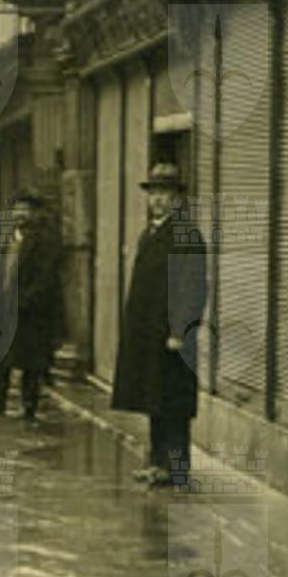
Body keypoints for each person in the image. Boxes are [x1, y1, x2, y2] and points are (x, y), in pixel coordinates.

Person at [111, 160, 207, 486]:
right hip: (149, 332)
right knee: (155, 400)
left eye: (165, 193)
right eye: (153, 193)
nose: (158, 200)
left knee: (173, 405)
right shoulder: (150, 233)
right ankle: (157, 463)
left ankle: (177, 469)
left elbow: (194, 287)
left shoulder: (186, 235)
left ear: (177, 198)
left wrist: (180, 330)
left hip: (171, 335)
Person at [0, 190, 67, 425]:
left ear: (34, 213)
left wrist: (24, 301)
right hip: (4, 309)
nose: (20, 214)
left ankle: (29, 406)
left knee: (31, 362)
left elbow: (46, 279)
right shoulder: (9, 239)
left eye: (25, 210)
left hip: (31, 312)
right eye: (17, 209)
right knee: (0, 358)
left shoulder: (45, 241)